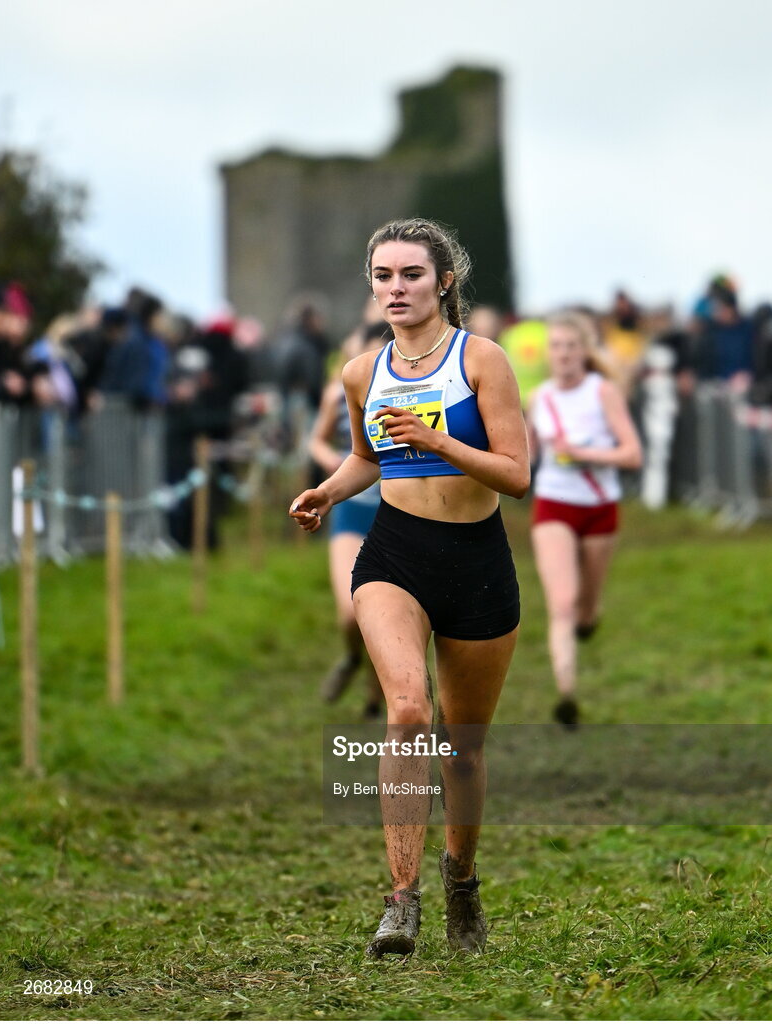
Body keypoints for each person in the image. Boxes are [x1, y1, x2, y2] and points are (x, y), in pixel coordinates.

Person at [290, 218, 529, 957]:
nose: (395, 289)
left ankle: (461, 880)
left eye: (410, 276)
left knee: (462, 747)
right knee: (405, 709)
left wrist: (438, 443)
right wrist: (327, 492)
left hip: (476, 558)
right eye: (383, 277)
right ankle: (401, 899)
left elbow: (516, 477)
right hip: (394, 550)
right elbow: (367, 457)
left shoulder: (480, 360)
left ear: (443, 281)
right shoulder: (361, 372)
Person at [528, 310, 642, 728]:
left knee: (585, 611)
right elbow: (525, 457)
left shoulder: (602, 391)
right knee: (561, 604)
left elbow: (632, 454)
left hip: (599, 507)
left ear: (584, 351)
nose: (563, 355)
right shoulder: (540, 398)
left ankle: (590, 620)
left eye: (571, 347)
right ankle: (566, 695)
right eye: (556, 347)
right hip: (554, 504)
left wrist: (584, 454)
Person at [308, 321, 392, 719]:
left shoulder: (411, 394)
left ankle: (378, 697)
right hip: (351, 508)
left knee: (386, 616)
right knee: (351, 611)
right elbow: (316, 439)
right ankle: (352, 656)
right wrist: (330, 462)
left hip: (396, 512)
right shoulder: (337, 394)